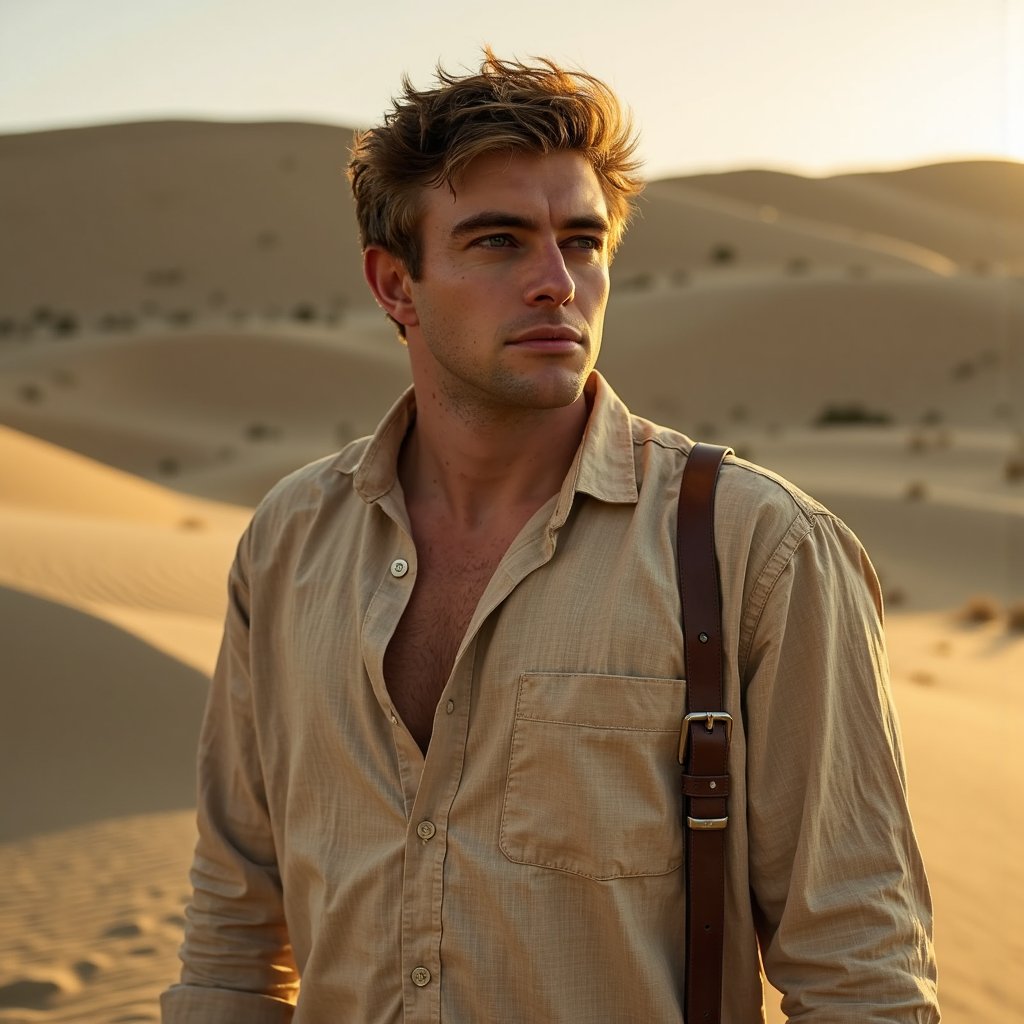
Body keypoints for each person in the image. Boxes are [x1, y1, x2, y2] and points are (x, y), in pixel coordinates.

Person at [161, 50, 939, 1023]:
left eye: (581, 242)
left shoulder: (759, 552)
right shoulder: (289, 543)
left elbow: (860, 972)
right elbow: (234, 926)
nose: (554, 283)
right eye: (497, 242)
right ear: (394, 285)